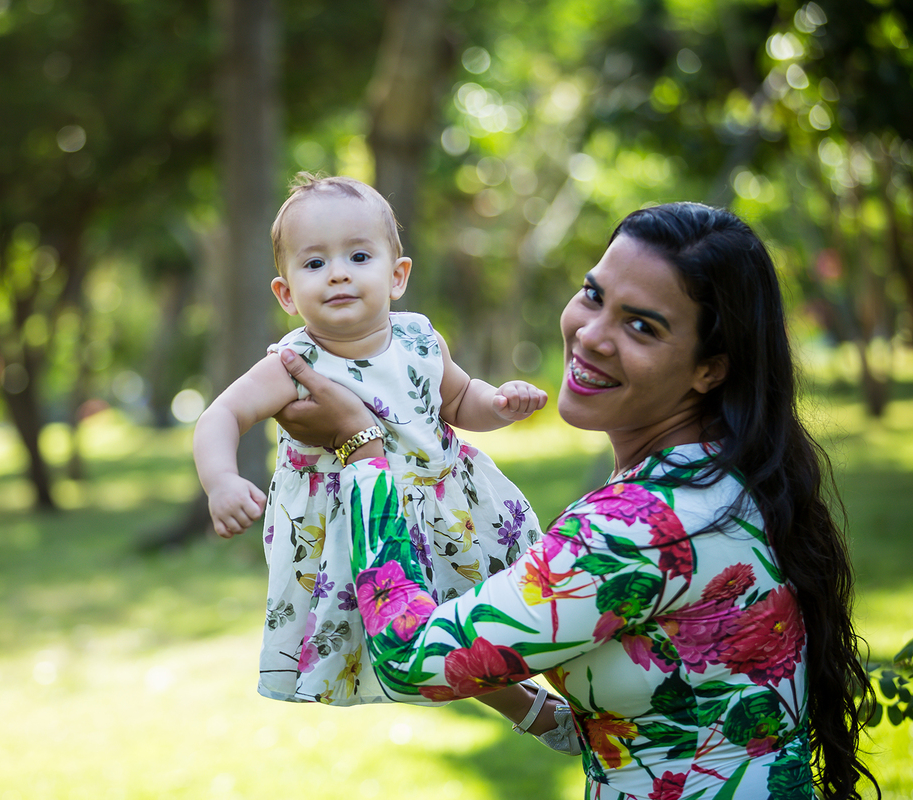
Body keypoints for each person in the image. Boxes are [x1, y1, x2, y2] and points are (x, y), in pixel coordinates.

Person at [273, 202, 879, 798]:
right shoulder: (730, 475)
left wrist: (360, 447)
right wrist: (546, 717)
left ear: (710, 369)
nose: (591, 335)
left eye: (642, 326)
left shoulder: (637, 529)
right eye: (593, 295)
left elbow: (412, 657)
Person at [193, 174, 552, 711]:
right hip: (356, 529)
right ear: (286, 294)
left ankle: (559, 700)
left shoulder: (419, 338)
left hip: (447, 510)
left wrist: (498, 404)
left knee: (480, 621)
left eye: (359, 256)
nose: (338, 273)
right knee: (415, 643)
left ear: (397, 275)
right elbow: (221, 414)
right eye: (315, 263)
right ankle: (532, 711)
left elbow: (457, 400)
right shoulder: (293, 363)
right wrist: (221, 480)